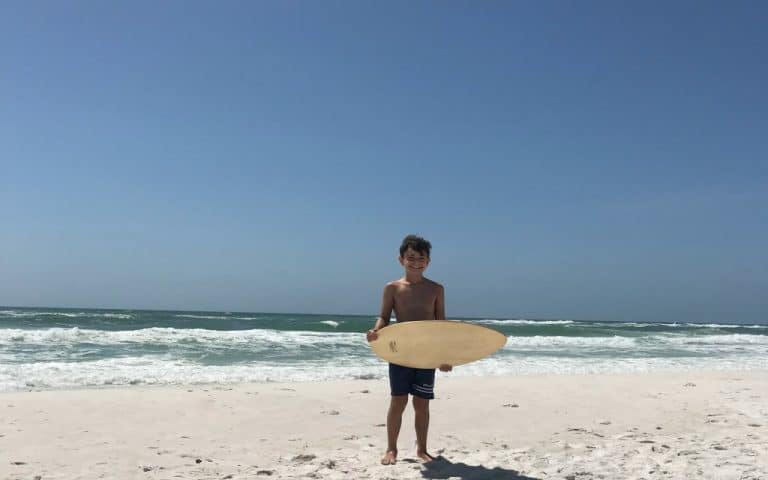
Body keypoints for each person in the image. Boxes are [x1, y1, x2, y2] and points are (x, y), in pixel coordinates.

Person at [366, 234, 452, 465]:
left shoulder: (436, 289)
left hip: (426, 354)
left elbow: (441, 325)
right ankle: (391, 449)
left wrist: (444, 357)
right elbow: (384, 317)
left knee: (422, 404)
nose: (416, 262)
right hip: (400, 353)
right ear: (401, 259)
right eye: (411, 258)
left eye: (421, 258)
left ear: (428, 261)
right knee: (398, 400)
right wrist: (376, 331)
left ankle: (422, 450)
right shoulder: (392, 288)